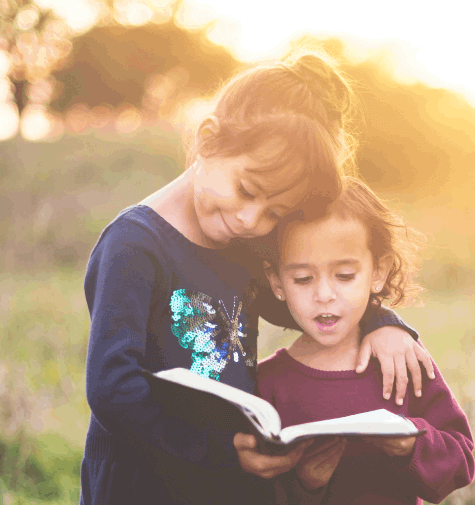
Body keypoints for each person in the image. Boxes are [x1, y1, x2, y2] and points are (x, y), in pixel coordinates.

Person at [79, 49, 434, 505]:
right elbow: (111, 389)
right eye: (247, 190)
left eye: (275, 213)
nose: (251, 219)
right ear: (208, 139)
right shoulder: (134, 245)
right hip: (142, 479)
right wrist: (220, 450)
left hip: (224, 478)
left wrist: (384, 324)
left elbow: (307, 305)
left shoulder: (240, 247)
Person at [259, 177, 475, 504]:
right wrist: (304, 484)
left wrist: (411, 444)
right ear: (276, 281)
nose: (324, 295)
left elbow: (461, 462)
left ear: (378, 272)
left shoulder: (401, 360)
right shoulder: (267, 383)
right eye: (302, 279)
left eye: (345, 276)